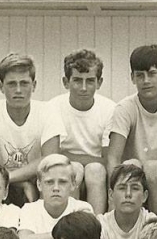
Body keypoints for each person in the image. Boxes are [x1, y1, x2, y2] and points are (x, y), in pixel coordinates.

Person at [0, 54, 64, 206]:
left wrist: (11, 177)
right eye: (11, 84)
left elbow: (50, 159)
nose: (18, 90)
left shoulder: (48, 111)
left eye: (24, 83)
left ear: (34, 85)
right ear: (1, 86)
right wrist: (18, 183)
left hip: (36, 179)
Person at [106, 44, 157, 212]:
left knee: (153, 167)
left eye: (152, 74)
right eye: (140, 76)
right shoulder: (125, 108)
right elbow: (113, 157)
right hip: (133, 174)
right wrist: (112, 197)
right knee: (132, 164)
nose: (146, 81)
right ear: (132, 78)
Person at [50, 50, 116, 214]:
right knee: (74, 169)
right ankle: (69, 225)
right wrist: (87, 161)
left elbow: (109, 158)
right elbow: (53, 153)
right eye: (77, 81)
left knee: (95, 170)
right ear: (66, 82)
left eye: (90, 81)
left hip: (98, 171)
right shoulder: (53, 107)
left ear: (99, 82)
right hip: (65, 167)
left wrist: (85, 160)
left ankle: (97, 224)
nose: (84, 88)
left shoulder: (110, 109)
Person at [16, 154, 94, 239]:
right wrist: (67, 235)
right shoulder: (29, 209)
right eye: (49, 182)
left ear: (73, 184)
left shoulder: (82, 208)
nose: (56, 188)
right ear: (39, 185)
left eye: (62, 182)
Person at [99, 162, 150, 239]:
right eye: (122, 188)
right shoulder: (101, 223)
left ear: (145, 196)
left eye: (135, 188)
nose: (128, 194)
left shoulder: (151, 223)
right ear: (111, 195)